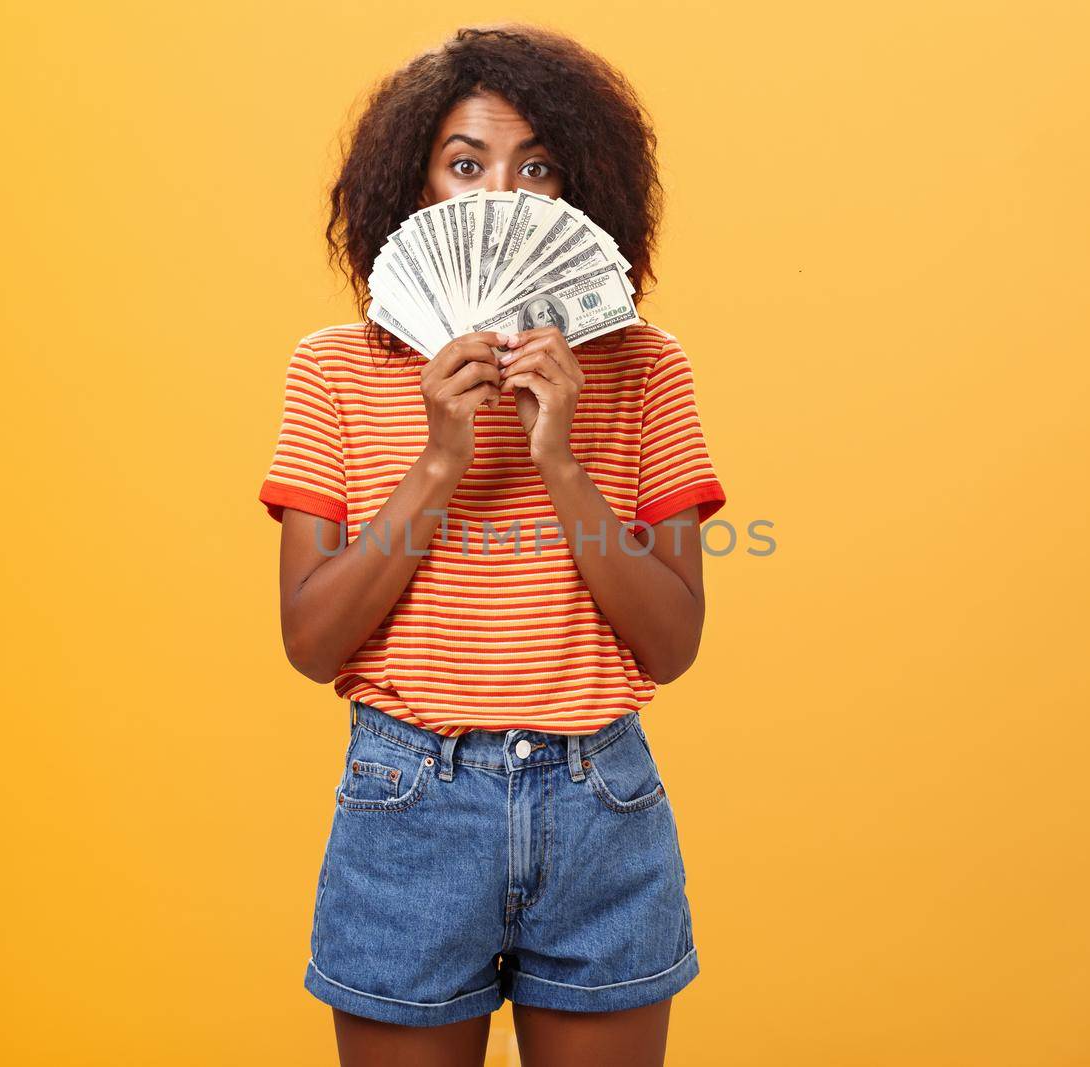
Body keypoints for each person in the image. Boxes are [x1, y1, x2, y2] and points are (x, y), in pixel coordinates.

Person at [257, 24, 727, 1067]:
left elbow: (672, 642)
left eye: (537, 167)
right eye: (465, 164)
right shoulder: (334, 370)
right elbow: (310, 638)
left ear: (581, 195)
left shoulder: (645, 368)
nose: (500, 194)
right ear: (416, 187)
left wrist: (560, 459)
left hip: (599, 804)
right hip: (408, 803)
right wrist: (440, 456)